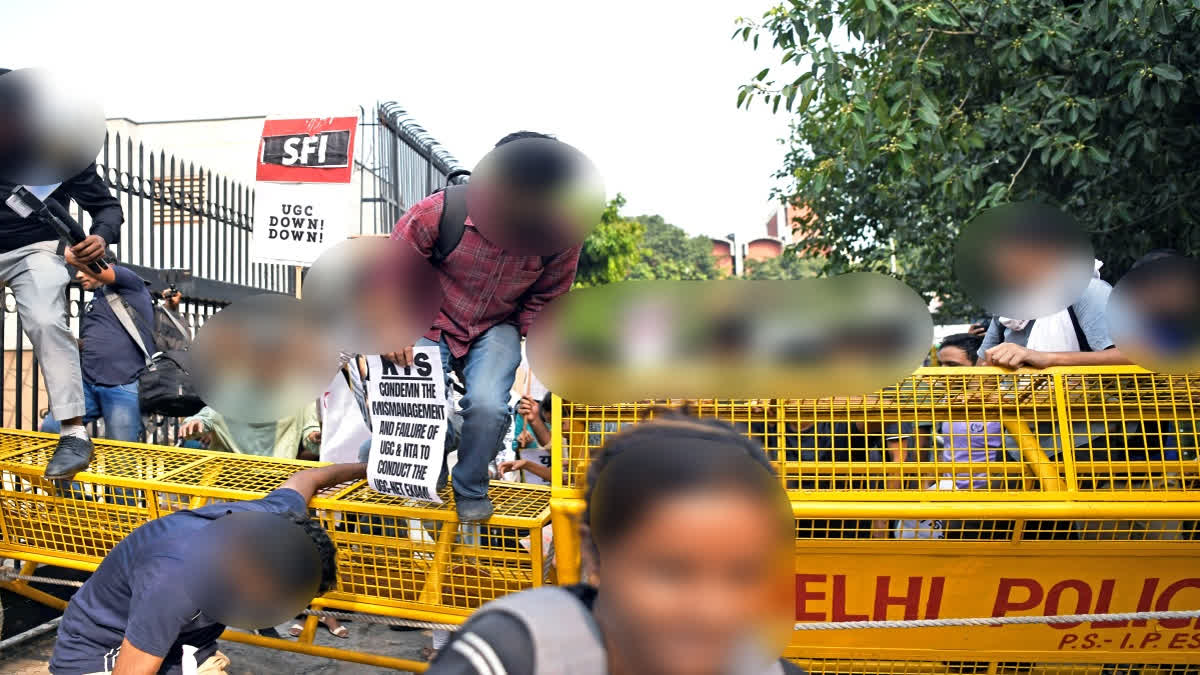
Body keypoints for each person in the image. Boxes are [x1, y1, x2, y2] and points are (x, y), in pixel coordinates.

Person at [429, 412, 805, 675]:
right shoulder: (516, 654)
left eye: (745, 575)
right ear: (596, 562)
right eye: (671, 572)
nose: (713, 611)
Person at [387, 131, 582, 522]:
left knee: (491, 407)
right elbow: (393, 269)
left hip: (498, 324)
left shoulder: (561, 236)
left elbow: (546, 299)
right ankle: (429, 473)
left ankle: (471, 485)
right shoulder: (438, 212)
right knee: (418, 408)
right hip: (430, 317)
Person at [49, 462, 365, 675]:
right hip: (102, 651)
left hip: (178, 643)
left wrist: (367, 467)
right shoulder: (174, 582)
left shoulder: (276, 521)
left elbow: (310, 478)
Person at [0, 72, 124, 478]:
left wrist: (100, 237)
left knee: (45, 318)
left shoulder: (59, 145)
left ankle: (73, 433)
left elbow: (107, 208)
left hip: (33, 247)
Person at [40, 252, 154, 443]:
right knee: (52, 428)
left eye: (83, 268)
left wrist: (70, 255)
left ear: (104, 265)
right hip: (88, 384)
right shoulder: (95, 299)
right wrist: (70, 342)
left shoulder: (130, 283)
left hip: (123, 383)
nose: (78, 275)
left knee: (121, 456)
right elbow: (100, 340)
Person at [179, 402, 319, 459]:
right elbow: (206, 417)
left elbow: (312, 435)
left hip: (278, 481)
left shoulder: (301, 399)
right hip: (228, 480)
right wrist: (194, 425)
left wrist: (316, 437)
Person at [153, 286, 191, 352]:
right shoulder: (157, 313)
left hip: (170, 357)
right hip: (172, 357)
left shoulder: (182, 321)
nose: (172, 298)